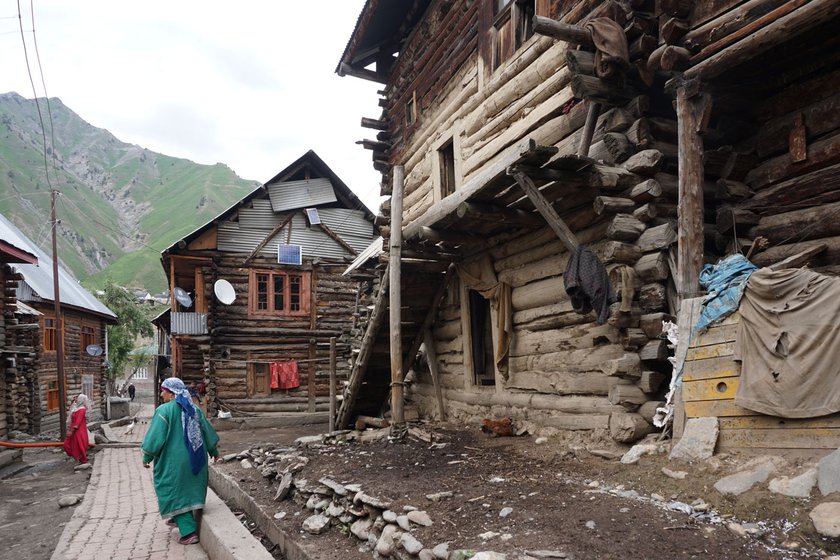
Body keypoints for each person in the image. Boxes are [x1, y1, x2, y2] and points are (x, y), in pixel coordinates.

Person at [141, 377, 220, 545]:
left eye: (163, 391)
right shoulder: (195, 410)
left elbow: (155, 439)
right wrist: (214, 451)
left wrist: (147, 456)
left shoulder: (164, 411)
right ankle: (177, 517)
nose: (161, 394)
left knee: (172, 491)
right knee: (189, 489)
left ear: (171, 394)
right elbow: (207, 432)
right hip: (197, 460)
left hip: (174, 462)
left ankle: (189, 532)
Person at [63, 393, 90, 464]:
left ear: (81, 400)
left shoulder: (82, 410)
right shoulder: (76, 408)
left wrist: (71, 431)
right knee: (67, 444)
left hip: (78, 430)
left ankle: (82, 460)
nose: (77, 399)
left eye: (78, 398)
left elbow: (77, 423)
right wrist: (73, 401)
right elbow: (71, 411)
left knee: (79, 445)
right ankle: (77, 457)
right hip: (73, 429)